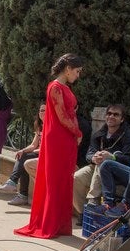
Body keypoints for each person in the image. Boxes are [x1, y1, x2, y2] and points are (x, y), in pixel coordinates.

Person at [15, 54, 84, 239]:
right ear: (68, 68)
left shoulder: (63, 87)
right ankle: (50, 224)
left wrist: (75, 133)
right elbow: (61, 116)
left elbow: (68, 114)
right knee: (55, 180)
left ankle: (60, 225)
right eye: (77, 71)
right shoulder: (55, 87)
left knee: (63, 180)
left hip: (66, 138)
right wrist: (78, 133)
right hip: (59, 139)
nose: (78, 75)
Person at [75, 104, 130, 209]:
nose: (111, 116)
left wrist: (112, 157)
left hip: (115, 172)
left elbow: (129, 160)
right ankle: (83, 212)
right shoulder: (99, 134)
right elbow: (89, 153)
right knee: (76, 178)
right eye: (109, 114)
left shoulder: (129, 137)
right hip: (95, 166)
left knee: (104, 163)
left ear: (122, 119)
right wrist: (93, 158)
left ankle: (93, 202)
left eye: (116, 114)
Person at [4, 102, 45, 206]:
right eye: (41, 110)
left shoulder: (51, 127)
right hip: (38, 153)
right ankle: (20, 193)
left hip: (46, 155)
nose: (42, 113)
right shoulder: (40, 126)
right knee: (23, 156)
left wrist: (30, 152)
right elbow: (33, 144)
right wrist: (23, 150)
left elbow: (47, 149)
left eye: (45, 110)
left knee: (25, 157)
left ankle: (14, 184)